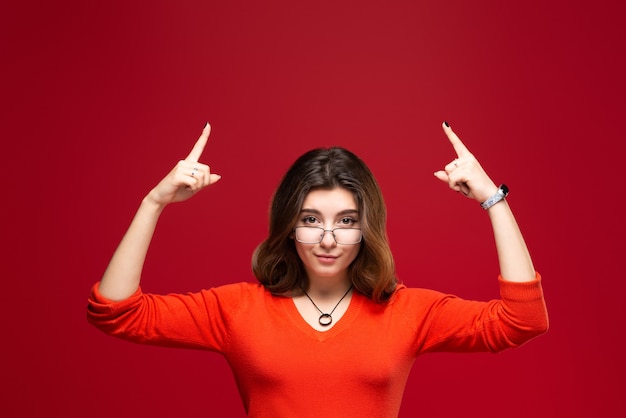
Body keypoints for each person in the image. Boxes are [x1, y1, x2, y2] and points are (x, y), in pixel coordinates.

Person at [87, 121, 548, 417]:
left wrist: (492, 199)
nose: (328, 238)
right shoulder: (237, 311)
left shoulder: (407, 312)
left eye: (346, 222)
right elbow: (117, 312)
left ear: (367, 229)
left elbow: (522, 321)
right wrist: (155, 203)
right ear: (289, 227)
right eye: (311, 220)